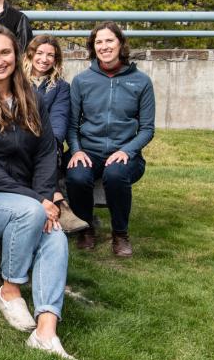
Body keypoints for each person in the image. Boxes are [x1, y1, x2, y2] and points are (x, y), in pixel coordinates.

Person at [0, 25, 80, 360]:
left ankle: (46, 331)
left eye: (5, 52)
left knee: (55, 237)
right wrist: (38, 200)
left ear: (18, 55)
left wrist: (43, 196)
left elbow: (47, 153)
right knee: (34, 214)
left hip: (25, 200)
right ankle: (9, 290)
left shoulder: (32, 98)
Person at [66, 22, 155, 257]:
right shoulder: (82, 81)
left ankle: (120, 234)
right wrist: (76, 150)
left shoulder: (141, 81)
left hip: (126, 152)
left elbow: (147, 129)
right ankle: (85, 228)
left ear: (120, 43)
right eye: (98, 42)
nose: (104, 46)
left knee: (115, 174)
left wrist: (127, 150)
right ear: (93, 48)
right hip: (89, 151)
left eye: (109, 41)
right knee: (76, 175)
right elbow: (72, 125)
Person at [23, 35, 88, 234]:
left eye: (50, 55)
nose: (44, 59)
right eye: (40, 53)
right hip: (18, 140)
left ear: (56, 59)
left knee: (48, 150)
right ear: (31, 54)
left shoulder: (60, 87)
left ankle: (51, 207)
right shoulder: (15, 81)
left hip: (47, 143)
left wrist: (43, 142)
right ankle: (58, 201)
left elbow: (59, 122)